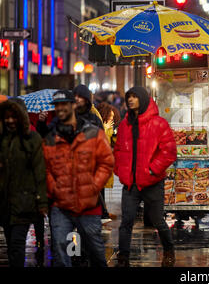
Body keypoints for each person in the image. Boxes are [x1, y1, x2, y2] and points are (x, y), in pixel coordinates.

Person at [42, 90, 114, 267]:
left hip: (88, 205)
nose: (60, 109)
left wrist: (93, 186)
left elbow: (106, 162)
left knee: (96, 249)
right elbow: (44, 167)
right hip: (60, 205)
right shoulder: (51, 137)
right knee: (60, 248)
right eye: (57, 106)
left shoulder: (92, 133)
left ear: (73, 106)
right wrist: (54, 188)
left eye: (64, 105)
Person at [114, 87, 177, 267]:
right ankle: (123, 257)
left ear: (142, 99)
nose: (131, 100)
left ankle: (169, 249)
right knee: (126, 221)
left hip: (152, 182)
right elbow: (118, 149)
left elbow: (169, 152)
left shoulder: (158, 123)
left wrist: (152, 170)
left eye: (134, 97)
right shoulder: (125, 124)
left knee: (157, 220)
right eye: (129, 97)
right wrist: (120, 170)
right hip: (130, 183)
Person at [0, 99, 48, 267]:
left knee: (17, 245)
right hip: (5, 203)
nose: (10, 120)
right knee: (10, 242)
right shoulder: (2, 139)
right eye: (7, 117)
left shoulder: (31, 138)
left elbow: (39, 171)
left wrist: (42, 202)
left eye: (14, 117)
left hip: (24, 202)